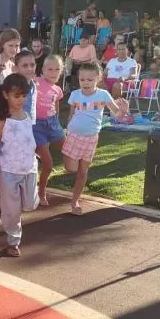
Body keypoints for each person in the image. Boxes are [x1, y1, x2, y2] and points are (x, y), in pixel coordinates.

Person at [0, 73, 38, 257]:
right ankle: (13, 241)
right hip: (9, 170)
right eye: (16, 96)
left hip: (29, 168)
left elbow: (29, 139)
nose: (21, 100)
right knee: (12, 210)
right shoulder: (2, 119)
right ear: (5, 95)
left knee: (30, 205)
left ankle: (13, 219)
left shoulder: (27, 115)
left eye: (24, 96)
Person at [63, 61, 128, 215]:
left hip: (91, 138)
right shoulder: (75, 94)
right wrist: (67, 129)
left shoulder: (103, 95)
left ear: (98, 79)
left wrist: (123, 111)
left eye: (90, 80)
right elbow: (71, 114)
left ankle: (75, 201)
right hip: (73, 135)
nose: (85, 83)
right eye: (82, 79)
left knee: (83, 172)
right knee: (71, 168)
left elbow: (117, 116)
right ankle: (71, 159)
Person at [33, 54, 65, 207]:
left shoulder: (58, 90)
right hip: (37, 127)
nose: (53, 72)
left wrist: (57, 122)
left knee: (69, 151)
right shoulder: (36, 82)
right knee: (49, 165)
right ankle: (41, 191)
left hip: (53, 124)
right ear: (43, 70)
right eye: (50, 69)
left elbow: (56, 106)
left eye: (57, 69)